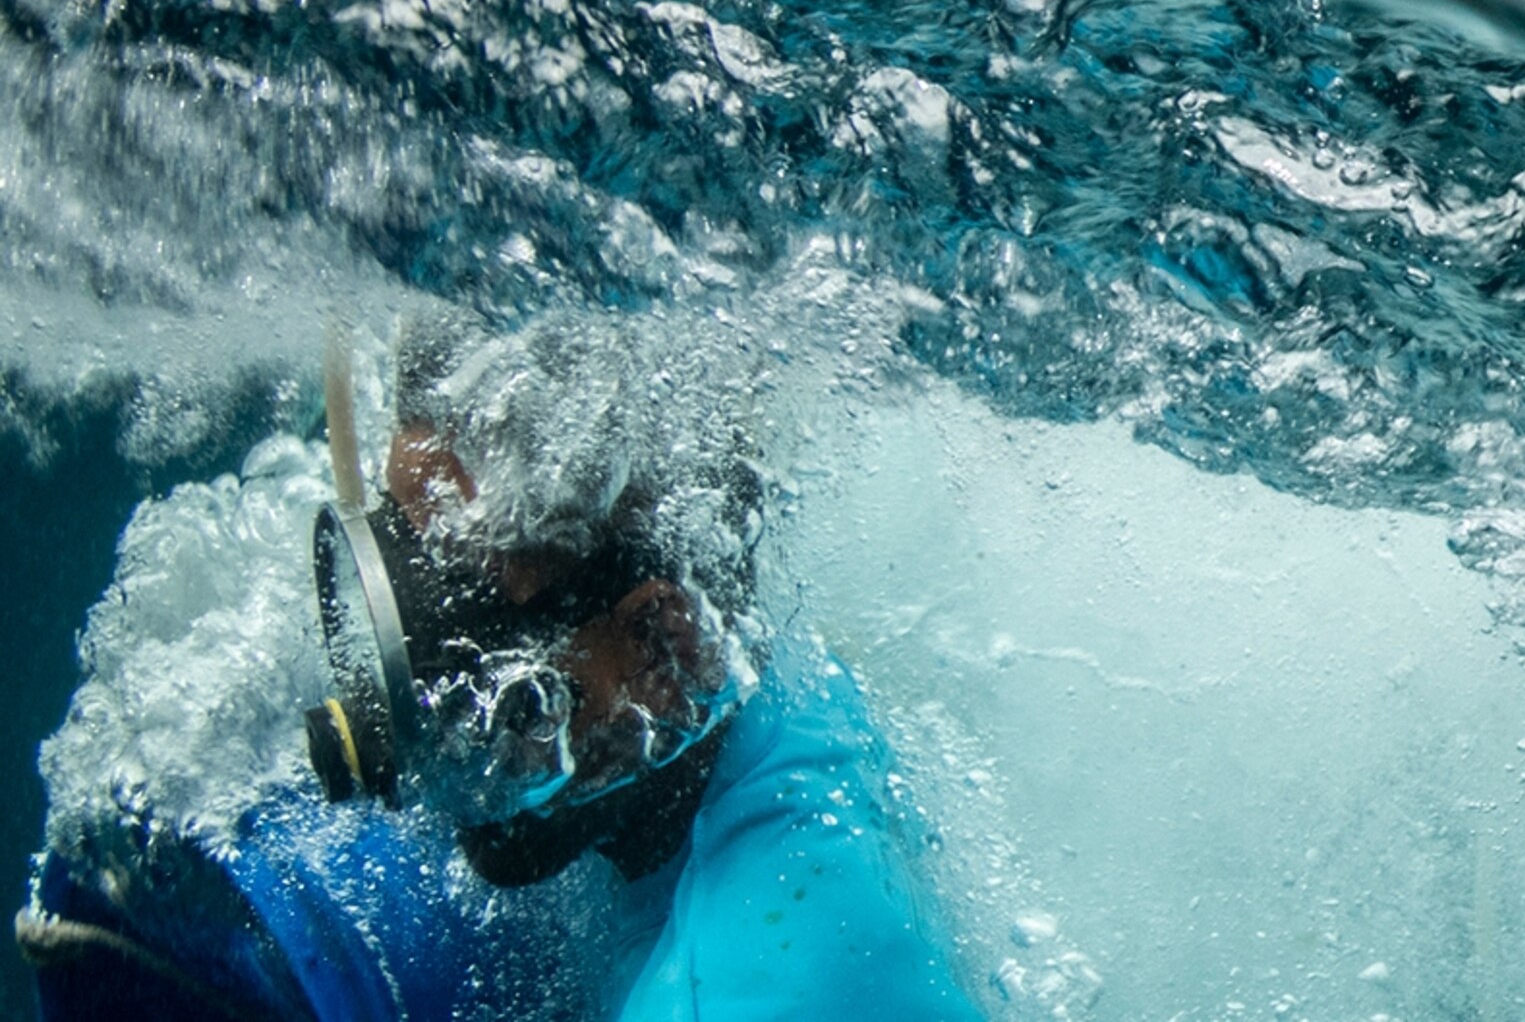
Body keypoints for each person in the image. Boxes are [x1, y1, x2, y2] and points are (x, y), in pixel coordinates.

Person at [18, 314, 983, 1021]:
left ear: (662, 639)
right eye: (392, 568)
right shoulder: (731, 739)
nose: (398, 698)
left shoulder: (754, 982)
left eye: (453, 624)